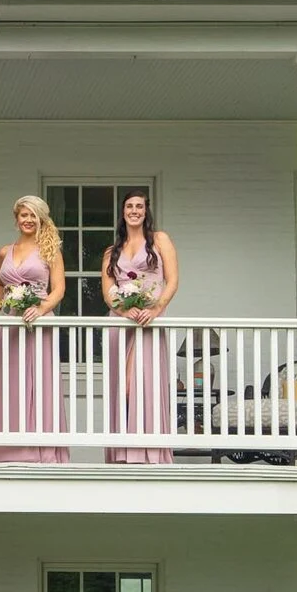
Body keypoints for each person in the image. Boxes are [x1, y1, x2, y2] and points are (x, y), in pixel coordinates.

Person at [0, 195, 68, 463]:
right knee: (10, 382)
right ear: (16, 218)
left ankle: (41, 450)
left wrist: (42, 309)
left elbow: (59, 289)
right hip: (12, 326)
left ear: (41, 218)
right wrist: (1, 303)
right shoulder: (3, 252)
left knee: (39, 381)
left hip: (39, 322)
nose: (28, 220)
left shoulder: (49, 250)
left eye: (33, 215)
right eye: (24, 215)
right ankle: (8, 450)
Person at [103, 189, 179, 464]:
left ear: (146, 211)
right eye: (129, 207)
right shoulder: (113, 251)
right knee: (121, 387)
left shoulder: (160, 240)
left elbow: (171, 280)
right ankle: (122, 452)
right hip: (120, 323)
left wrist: (156, 308)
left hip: (148, 322)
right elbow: (108, 290)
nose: (134, 211)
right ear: (122, 213)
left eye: (139, 206)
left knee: (140, 384)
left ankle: (148, 452)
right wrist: (123, 307)